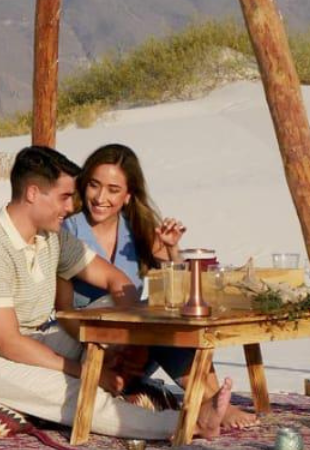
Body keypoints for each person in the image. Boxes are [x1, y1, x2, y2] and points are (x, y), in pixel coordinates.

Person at [0, 143, 233, 442]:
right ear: (32, 193)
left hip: (36, 337)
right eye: (64, 197)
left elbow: (116, 279)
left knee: (126, 308)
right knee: (76, 390)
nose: (70, 207)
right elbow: (9, 344)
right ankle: (188, 423)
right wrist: (87, 371)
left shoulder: (50, 237)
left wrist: (124, 340)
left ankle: (178, 388)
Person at [58, 141, 253, 427]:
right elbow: (62, 310)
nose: (101, 197)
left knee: (167, 311)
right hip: (92, 345)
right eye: (94, 185)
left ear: (127, 196)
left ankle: (210, 400)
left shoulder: (137, 228)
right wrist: (125, 340)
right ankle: (207, 400)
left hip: (137, 347)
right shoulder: (68, 230)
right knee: (153, 312)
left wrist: (173, 250)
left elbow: (184, 291)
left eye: (113, 190)